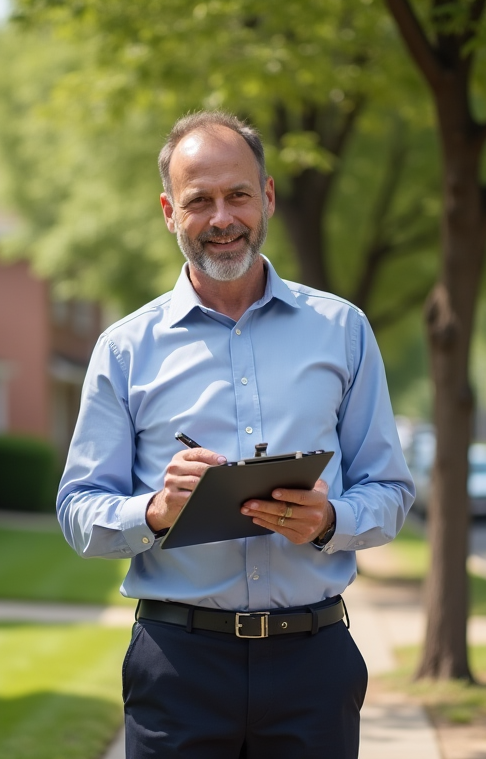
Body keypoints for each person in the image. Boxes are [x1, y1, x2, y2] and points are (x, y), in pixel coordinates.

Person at [57, 111, 414, 758]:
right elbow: (77, 510)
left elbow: (389, 489)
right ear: (170, 211)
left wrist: (330, 519)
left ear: (268, 198)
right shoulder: (125, 350)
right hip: (179, 666)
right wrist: (156, 512)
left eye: (238, 195)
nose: (222, 218)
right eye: (200, 201)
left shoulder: (343, 331)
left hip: (314, 664)